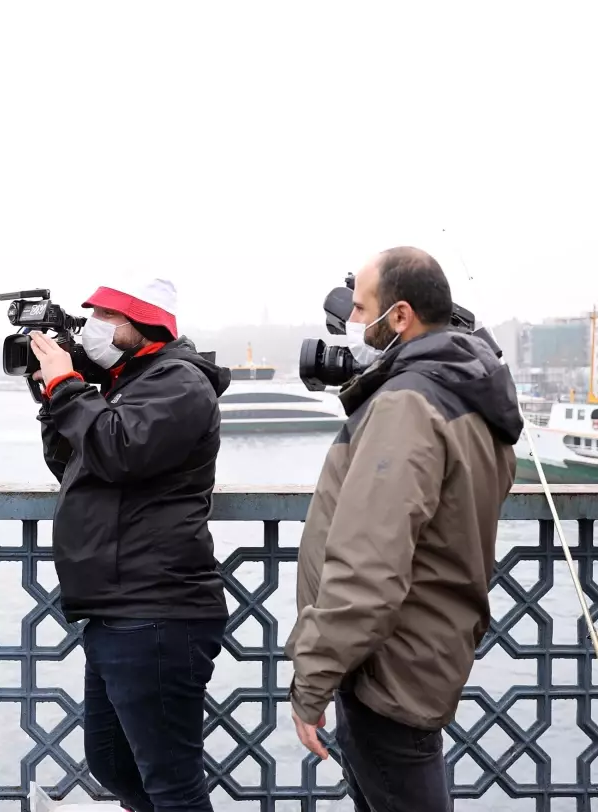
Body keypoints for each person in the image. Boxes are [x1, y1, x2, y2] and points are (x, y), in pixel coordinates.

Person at [284, 247, 523, 811]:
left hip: (385, 668)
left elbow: (369, 568)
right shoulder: (467, 391)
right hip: (423, 649)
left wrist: (311, 682)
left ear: (401, 317)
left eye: (364, 309)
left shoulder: (408, 406)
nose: (356, 324)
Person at [28, 278, 232, 812]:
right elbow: (76, 465)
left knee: (172, 783)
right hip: (120, 607)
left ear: (141, 327)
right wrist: (52, 396)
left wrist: (69, 387)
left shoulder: (180, 383)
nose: (93, 328)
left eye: (105, 318)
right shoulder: (129, 384)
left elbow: (119, 450)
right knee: (113, 763)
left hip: (159, 607)